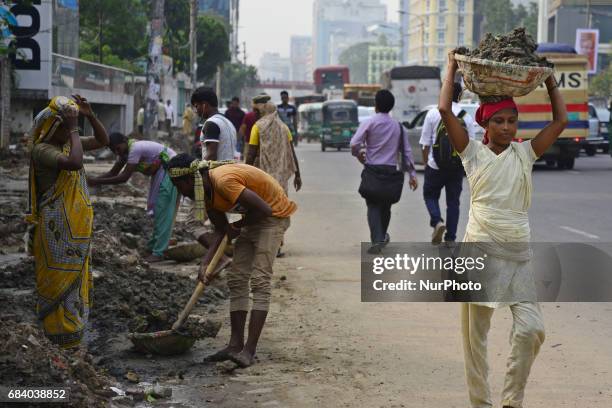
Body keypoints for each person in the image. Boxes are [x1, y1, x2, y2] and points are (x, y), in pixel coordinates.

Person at [439, 52, 568, 408]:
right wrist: (451, 68)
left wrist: (551, 81)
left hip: (518, 257)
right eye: (501, 121)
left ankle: (512, 401)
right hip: (479, 251)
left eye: (513, 121)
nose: (509, 127)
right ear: (486, 125)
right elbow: (446, 112)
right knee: (474, 341)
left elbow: (560, 121)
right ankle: (481, 403)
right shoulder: (472, 155)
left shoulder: (525, 155)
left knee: (531, 329)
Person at [166, 154, 296, 368]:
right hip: (253, 219)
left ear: (189, 180)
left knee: (260, 281)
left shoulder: (223, 181)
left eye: (177, 186)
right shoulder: (204, 191)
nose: (179, 193)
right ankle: (235, 345)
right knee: (236, 279)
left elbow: (265, 210)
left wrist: (236, 227)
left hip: (273, 217)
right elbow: (220, 230)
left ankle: (249, 351)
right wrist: (206, 263)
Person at [26, 95, 109, 348]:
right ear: (53, 126)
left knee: (74, 284)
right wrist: (73, 129)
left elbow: (102, 141)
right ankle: (57, 339)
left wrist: (90, 115)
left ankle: (72, 338)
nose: (72, 132)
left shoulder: (66, 144)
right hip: (56, 233)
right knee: (58, 283)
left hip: (74, 232)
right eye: (66, 127)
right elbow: (75, 163)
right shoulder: (43, 150)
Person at [87, 134, 178, 263]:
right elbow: (113, 173)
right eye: (113, 150)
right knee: (157, 209)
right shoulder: (126, 152)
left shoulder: (135, 148)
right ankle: (153, 247)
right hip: (160, 172)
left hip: (170, 169)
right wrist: (93, 181)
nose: (117, 152)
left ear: (124, 141)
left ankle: (159, 252)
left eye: (117, 148)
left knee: (162, 210)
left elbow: (123, 177)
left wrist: (95, 181)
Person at [350, 89, 418, 254]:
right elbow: (406, 152)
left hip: (372, 169)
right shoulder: (398, 126)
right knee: (386, 206)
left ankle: (378, 239)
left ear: (376, 106)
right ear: (391, 106)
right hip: (390, 170)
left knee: (373, 204)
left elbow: (354, 143)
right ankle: (381, 237)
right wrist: (412, 175)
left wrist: (359, 156)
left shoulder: (369, 123)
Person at [420, 82, 476, 245]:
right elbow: (470, 146)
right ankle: (450, 237)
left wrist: (426, 164)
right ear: (460, 96)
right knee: (453, 202)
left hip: (435, 165)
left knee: (429, 195)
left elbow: (425, 143)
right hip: (456, 167)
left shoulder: (433, 113)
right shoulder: (466, 116)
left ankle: (437, 221)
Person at [245, 97, 302, 194]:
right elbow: (292, 154)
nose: (257, 113)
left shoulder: (257, 127)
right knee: (280, 202)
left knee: (262, 203)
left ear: (263, 111)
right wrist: (298, 176)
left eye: (258, 111)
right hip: (280, 177)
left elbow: (251, 154)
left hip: (262, 175)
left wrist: (244, 175)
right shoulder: (284, 128)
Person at [192, 86, 237, 162]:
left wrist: (197, 168)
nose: (196, 111)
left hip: (218, 172)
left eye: (196, 106)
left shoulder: (211, 124)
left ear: (204, 105)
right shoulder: (228, 122)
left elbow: (211, 156)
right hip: (230, 170)